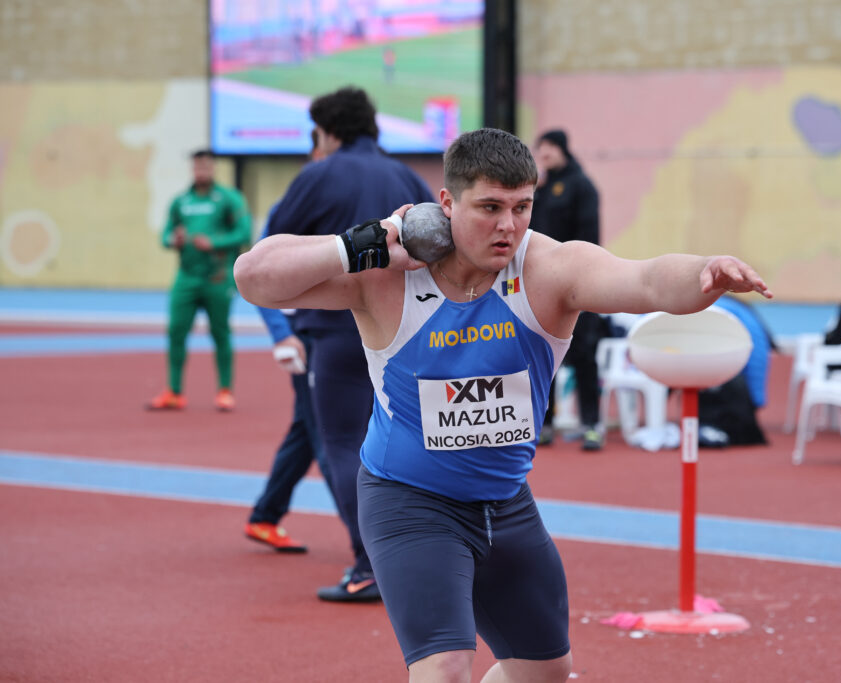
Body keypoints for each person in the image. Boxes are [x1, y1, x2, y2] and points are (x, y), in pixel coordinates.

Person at [234, 127, 772, 682]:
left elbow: (647, 280)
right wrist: (362, 242)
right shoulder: (386, 276)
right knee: (445, 668)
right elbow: (253, 278)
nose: (508, 226)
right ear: (447, 203)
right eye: (489, 208)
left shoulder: (548, 270)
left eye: (521, 207)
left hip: (505, 503)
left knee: (544, 671)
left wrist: (706, 271)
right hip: (408, 500)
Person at [262, 86, 434, 600]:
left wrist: (280, 332)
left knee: (340, 443)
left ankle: (370, 565)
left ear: (328, 131)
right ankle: (418, 549)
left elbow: (271, 255)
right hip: (405, 330)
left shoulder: (318, 175)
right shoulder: (407, 177)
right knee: (400, 441)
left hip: (336, 330)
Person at [244, 131, 329, 554]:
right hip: (307, 338)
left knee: (308, 430)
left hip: (335, 336)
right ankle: (369, 545)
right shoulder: (292, 207)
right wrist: (282, 335)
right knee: (328, 435)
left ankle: (265, 515)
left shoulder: (344, 199)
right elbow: (260, 272)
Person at [148, 149, 251, 412]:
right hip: (186, 277)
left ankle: (225, 391)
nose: (201, 171)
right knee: (176, 331)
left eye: (205, 166)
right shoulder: (181, 201)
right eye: (197, 167)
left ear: (213, 168)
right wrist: (174, 240)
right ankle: (174, 391)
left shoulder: (229, 198)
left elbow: (244, 233)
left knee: (220, 333)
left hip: (217, 277)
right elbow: (165, 235)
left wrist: (214, 242)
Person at [531, 129, 605, 450]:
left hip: (577, 282)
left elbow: (590, 236)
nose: (544, 153)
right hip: (542, 283)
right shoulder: (541, 188)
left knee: (585, 355)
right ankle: (544, 423)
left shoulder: (582, 185)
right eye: (541, 148)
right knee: (543, 354)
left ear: (562, 149)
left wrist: (582, 273)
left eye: (549, 147)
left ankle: (592, 425)